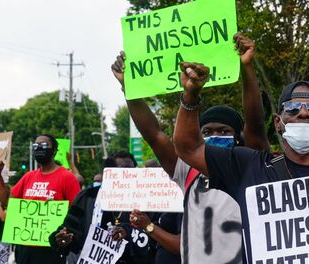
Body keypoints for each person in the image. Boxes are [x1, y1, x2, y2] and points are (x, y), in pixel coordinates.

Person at [173, 64, 309, 263]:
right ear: (278, 122)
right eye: (293, 108)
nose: (304, 113)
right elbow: (188, 147)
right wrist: (190, 95)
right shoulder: (249, 167)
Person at [108, 32, 269, 264]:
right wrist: (129, 88)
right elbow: (154, 134)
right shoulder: (187, 171)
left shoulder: (250, 168)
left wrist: (247, 69)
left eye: (224, 131)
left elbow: (256, 124)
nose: (214, 136)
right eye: (207, 132)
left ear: (238, 137)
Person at [0, 134, 81, 264]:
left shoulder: (67, 177)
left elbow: (77, 212)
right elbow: (6, 201)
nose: (39, 148)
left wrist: (64, 230)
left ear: (54, 151)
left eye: (44, 145)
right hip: (25, 248)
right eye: (35, 146)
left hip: (51, 249)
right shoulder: (28, 177)